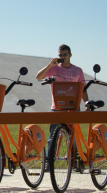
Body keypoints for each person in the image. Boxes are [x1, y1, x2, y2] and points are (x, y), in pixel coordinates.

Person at [36, 44, 89, 172]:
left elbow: (83, 89)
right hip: (57, 107)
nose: (62, 57)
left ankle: (75, 163)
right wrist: (50, 65)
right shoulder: (54, 69)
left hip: (74, 107)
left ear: (70, 55)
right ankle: (49, 163)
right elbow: (38, 77)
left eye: (65, 55)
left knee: (74, 137)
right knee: (52, 137)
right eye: (60, 55)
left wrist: (87, 103)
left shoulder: (78, 71)